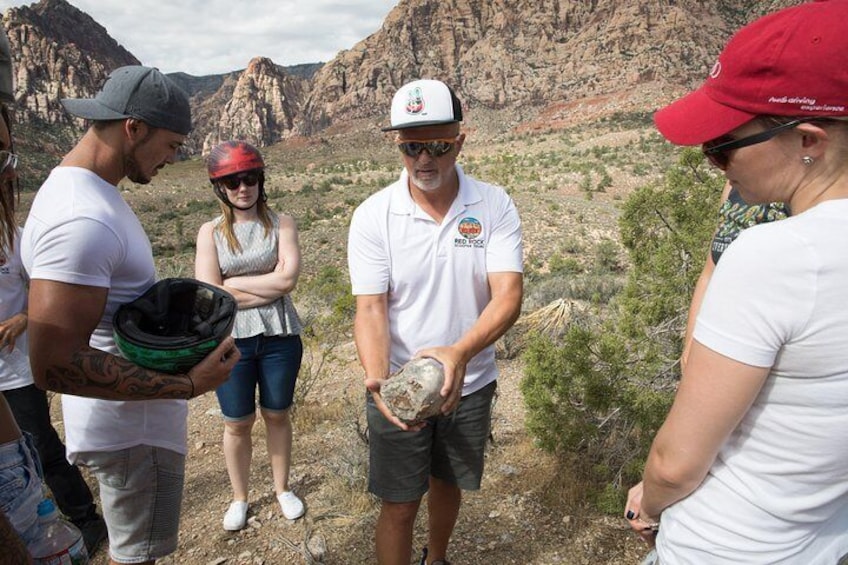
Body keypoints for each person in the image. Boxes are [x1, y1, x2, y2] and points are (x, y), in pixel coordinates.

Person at [625, 2, 848, 563]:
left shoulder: (777, 255)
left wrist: (648, 505)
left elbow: (675, 464)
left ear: (808, 142)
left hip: (723, 544)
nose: (711, 162)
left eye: (724, 146)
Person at [20, 66, 240, 565]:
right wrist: (187, 385)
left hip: (122, 427)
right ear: (133, 128)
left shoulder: (81, 191)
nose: (174, 157)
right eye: (171, 144)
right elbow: (53, 362)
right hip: (131, 434)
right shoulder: (82, 218)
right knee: (136, 557)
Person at [348, 79, 523, 565]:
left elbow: (508, 293)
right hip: (401, 383)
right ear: (397, 146)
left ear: (460, 141)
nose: (424, 159)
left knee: (448, 482)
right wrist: (378, 378)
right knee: (399, 502)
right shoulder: (374, 216)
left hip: (470, 382)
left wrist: (459, 353)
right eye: (411, 146)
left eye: (438, 145)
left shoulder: (492, 204)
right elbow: (371, 307)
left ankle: (437, 557)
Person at [195, 140, 305, 530]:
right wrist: (266, 283)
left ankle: (282, 489)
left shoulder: (282, 224)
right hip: (231, 340)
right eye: (232, 181)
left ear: (261, 180)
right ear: (220, 187)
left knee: (278, 414)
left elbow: (288, 280)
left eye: (250, 178)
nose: (243, 188)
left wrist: (233, 283)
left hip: (280, 335)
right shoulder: (209, 233)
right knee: (236, 422)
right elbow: (209, 294)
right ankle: (240, 497)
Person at [680, 181, 787, 370]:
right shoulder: (732, 187)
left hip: (760, 359)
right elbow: (710, 273)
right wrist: (690, 350)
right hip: (716, 352)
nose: (716, 162)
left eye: (723, 151)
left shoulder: (805, 199)